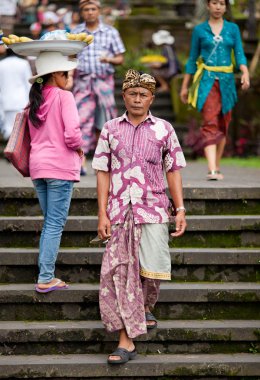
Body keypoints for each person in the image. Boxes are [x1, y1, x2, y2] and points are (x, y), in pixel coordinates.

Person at [92, 69, 187, 364]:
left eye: (143, 95)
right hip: (120, 211)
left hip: (154, 208)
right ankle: (126, 340)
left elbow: (173, 170)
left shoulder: (164, 130)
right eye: (132, 94)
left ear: (151, 99)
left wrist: (180, 208)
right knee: (119, 272)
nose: (137, 99)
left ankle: (144, 307)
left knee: (151, 270)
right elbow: (102, 172)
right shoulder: (110, 129)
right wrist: (102, 213)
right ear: (123, 96)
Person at [26, 51, 84, 293]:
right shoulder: (64, 96)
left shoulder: (34, 100)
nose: (68, 79)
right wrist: (80, 148)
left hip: (38, 166)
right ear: (57, 75)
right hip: (59, 167)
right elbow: (72, 134)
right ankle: (46, 276)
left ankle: (45, 273)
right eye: (66, 74)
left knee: (50, 222)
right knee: (54, 224)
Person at [180, 0, 250, 180]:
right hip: (207, 81)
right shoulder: (199, 30)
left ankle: (216, 165)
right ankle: (211, 169)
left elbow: (240, 53)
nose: (218, 7)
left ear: (226, 6)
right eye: (214, 3)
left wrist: (245, 72)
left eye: (221, 3)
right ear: (208, 6)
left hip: (227, 82)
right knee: (210, 121)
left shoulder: (232, 29)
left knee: (223, 123)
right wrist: (185, 86)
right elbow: (192, 58)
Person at [72, 0, 125, 175]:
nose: (90, 12)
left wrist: (108, 59)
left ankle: (102, 162)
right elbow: (70, 57)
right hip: (83, 82)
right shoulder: (76, 32)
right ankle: (81, 161)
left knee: (105, 121)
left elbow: (120, 58)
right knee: (80, 120)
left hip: (104, 81)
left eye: (93, 9)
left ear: (98, 11)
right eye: (86, 9)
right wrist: (69, 78)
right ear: (82, 12)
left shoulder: (110, 32)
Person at [0, 47, 32, 140]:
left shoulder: (1, 64)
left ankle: (8, 153)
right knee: (21, 133)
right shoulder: (23, 63)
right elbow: (28, 84)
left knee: (9, 132)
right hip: (21, 102)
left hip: (6, 102)